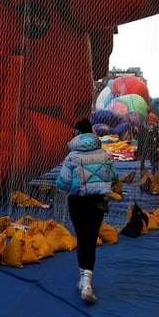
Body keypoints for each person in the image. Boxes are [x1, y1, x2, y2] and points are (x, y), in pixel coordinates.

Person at [55, 117, 119, 305]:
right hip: (97, 203)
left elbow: (63, 182)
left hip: (77, 202)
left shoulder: (72, 157)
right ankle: (87, 282)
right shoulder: (104, 154)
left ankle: (84, 279)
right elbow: (114, 178)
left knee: (82, 239)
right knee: (90, 239)